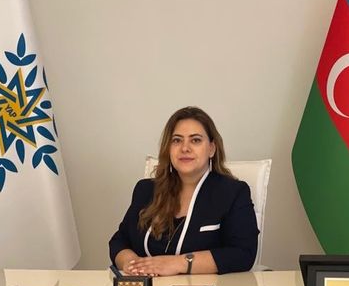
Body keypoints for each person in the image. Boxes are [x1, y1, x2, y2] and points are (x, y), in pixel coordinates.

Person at [108, 107, 259, 276]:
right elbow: (119, 241)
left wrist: (178, 263)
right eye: (177, 140)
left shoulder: (233, 193)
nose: (185, 148)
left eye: (195, 140)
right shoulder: (146, 190)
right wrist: (133, 264)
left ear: (211, 149)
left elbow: (243, 253)